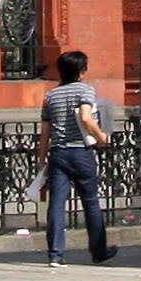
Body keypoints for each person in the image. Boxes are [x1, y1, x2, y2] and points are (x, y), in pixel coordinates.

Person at [38, 50, 118, 267]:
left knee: (56, 204)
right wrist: (101, 137)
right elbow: (85, 117)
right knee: (90, 201)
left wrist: (41, 159)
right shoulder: (85, 90)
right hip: (79, 153)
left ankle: (55, 254)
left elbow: (45, 131)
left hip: (58, 153)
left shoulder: (50, 96)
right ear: (82, 71)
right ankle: (99, 250)